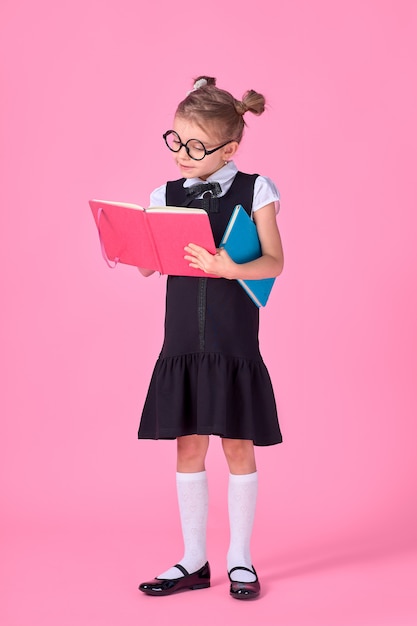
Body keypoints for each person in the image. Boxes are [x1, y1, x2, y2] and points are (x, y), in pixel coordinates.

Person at [137, 76, 284, 600]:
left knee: (238, 445)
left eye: (196, 146)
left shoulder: (256, 189)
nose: (181, 154)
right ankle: (193, 560)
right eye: (176, 140)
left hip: (233, 344)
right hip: (182, 344)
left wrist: (229, 268)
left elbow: (275, 262)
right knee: (188, 444)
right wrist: (131, 247)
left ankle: (240, 560)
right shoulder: (165, 194)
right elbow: (152, 267)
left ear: (230, 149)